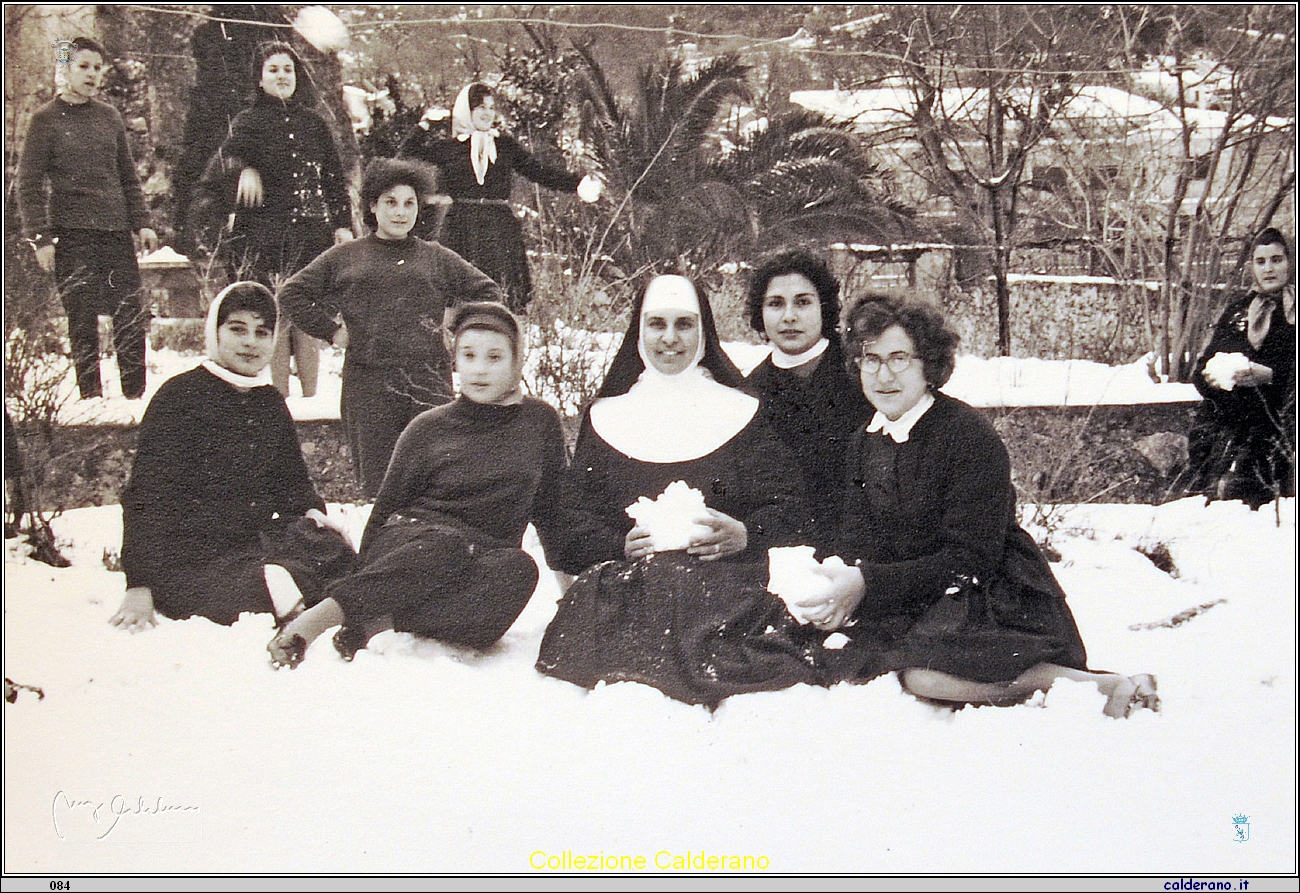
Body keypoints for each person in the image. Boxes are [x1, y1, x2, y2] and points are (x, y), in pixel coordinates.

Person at [806, 295, 1159, 717]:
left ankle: (1102, 687)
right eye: (871, 359)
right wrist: (841, 585)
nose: (884, 375)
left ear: (929, 364)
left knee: (924, 676)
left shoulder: (967, 435)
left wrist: (868, 584)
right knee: (844, 657)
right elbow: (858, 539)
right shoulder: (864, 440)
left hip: (988, 592)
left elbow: (971, 557)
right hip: (918, 591)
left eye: (899, 358)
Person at [537, 274, 821, 709]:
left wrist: (745, 533)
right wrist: (618, 544)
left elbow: (793, 507)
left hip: (721, 589)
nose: (670, 338)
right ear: (639, 332)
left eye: (684, 324)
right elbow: (571, 522)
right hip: (629, 592)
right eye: (657, 324)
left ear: (704, 332)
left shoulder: (742, 411)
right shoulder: (605, 417)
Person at [267, 302, 569, 668]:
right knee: (447, 545)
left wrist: (571, 597)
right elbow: (383, 513)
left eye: (494, 357)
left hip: (484, 561)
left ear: (516, 360)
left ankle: (374, 624)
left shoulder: (539, 422)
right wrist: (364, 577)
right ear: (454, 358)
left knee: (520, 570)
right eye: (468, 355)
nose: (479, 369)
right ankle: (314, 622)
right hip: (416, 543)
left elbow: (554, 515)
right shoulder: (428, 427)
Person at [111, 282, 354, 630]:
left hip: (254, 543)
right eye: (237, 330)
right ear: (215, 332)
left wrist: (312, 513)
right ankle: (302, 607)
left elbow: (292, 482)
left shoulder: (269, 401)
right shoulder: (179, 396)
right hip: (193, 556)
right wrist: (138, 584)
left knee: (335, 551)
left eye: (261, 332)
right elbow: (146, 496)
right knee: (267, 582)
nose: (250, 342)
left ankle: (312, 602)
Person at [277, 158, 504, 498]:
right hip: (368, 387)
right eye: (390, 202)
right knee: (380, 490)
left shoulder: (435, 257)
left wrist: (454, 320)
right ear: (373, 206)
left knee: (435, 485)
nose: (400, 212)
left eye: (409, 203)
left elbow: (488, 292)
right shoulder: (347, 257)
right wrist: (332, 331)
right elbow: (292, 293)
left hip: (428, 383)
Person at [206, 42, 355, 398]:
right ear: (259, 79)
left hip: (310, 232)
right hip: (265, 234)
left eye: (287, 69)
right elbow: (225, 161)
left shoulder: (314, 123)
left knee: (307, 314)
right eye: (273, 70)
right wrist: (245, 170)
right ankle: (278, 397)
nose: (282, 76)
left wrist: (342, 224)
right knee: (277, 312)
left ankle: (311, 399)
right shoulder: (247, 121)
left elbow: (333, 177)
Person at [17, 35, 158, 400]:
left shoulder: (109, 117)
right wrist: (41, 239)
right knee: (81, 319)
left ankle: (135, 396)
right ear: (66, 69)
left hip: (114, 232)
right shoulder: (45, 120)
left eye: (97, 67)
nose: (92, 74)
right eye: (83, 66)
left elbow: (127, 176)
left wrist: (141, 221)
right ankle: (90, 398)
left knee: (128, 313)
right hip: (71, 234)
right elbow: (28, 185)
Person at [401, 82, 601, 312]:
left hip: (499, 226)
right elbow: (407, 156)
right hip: (462, 226)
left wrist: (577, 184)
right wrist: (424, 125)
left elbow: (538, 171)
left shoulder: (504, 145)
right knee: (461, 295)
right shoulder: (449, 148)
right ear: (466, 110)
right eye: (480, 108)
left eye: (491, 107)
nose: (487, 113)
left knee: (502, 293)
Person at [744, 249, 870, 552]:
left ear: (824, 307)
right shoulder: (750, 393)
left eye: (803, 302)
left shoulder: (865, 370)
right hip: (789, 549)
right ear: (760, 314)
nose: (789, 316)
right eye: (776, 303)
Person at [1186, 227, 1296, 509]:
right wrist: (1216, 378)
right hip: (1234, 428)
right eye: (1261, 261)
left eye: (1277, 259)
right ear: (1251, 266)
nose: (1268, 269)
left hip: (1284, 431)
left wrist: (1270, 376)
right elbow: (1200, 371)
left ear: (1290, 261)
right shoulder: (1238, 312)